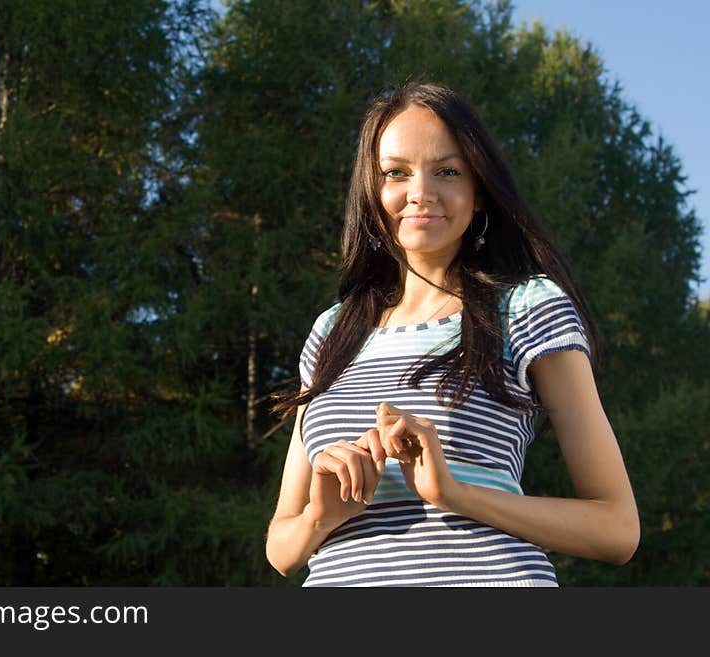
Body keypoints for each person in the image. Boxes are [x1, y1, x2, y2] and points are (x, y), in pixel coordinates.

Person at [265, 82, 640, 586]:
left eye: (448, 171)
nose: (421, 192)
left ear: (479, 189)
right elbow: (281, 549)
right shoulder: (331, 331)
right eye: (396, 173)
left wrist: (453, 493)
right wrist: (321, 516)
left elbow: (617, 529)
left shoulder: (529, 306)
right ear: (372, 190)